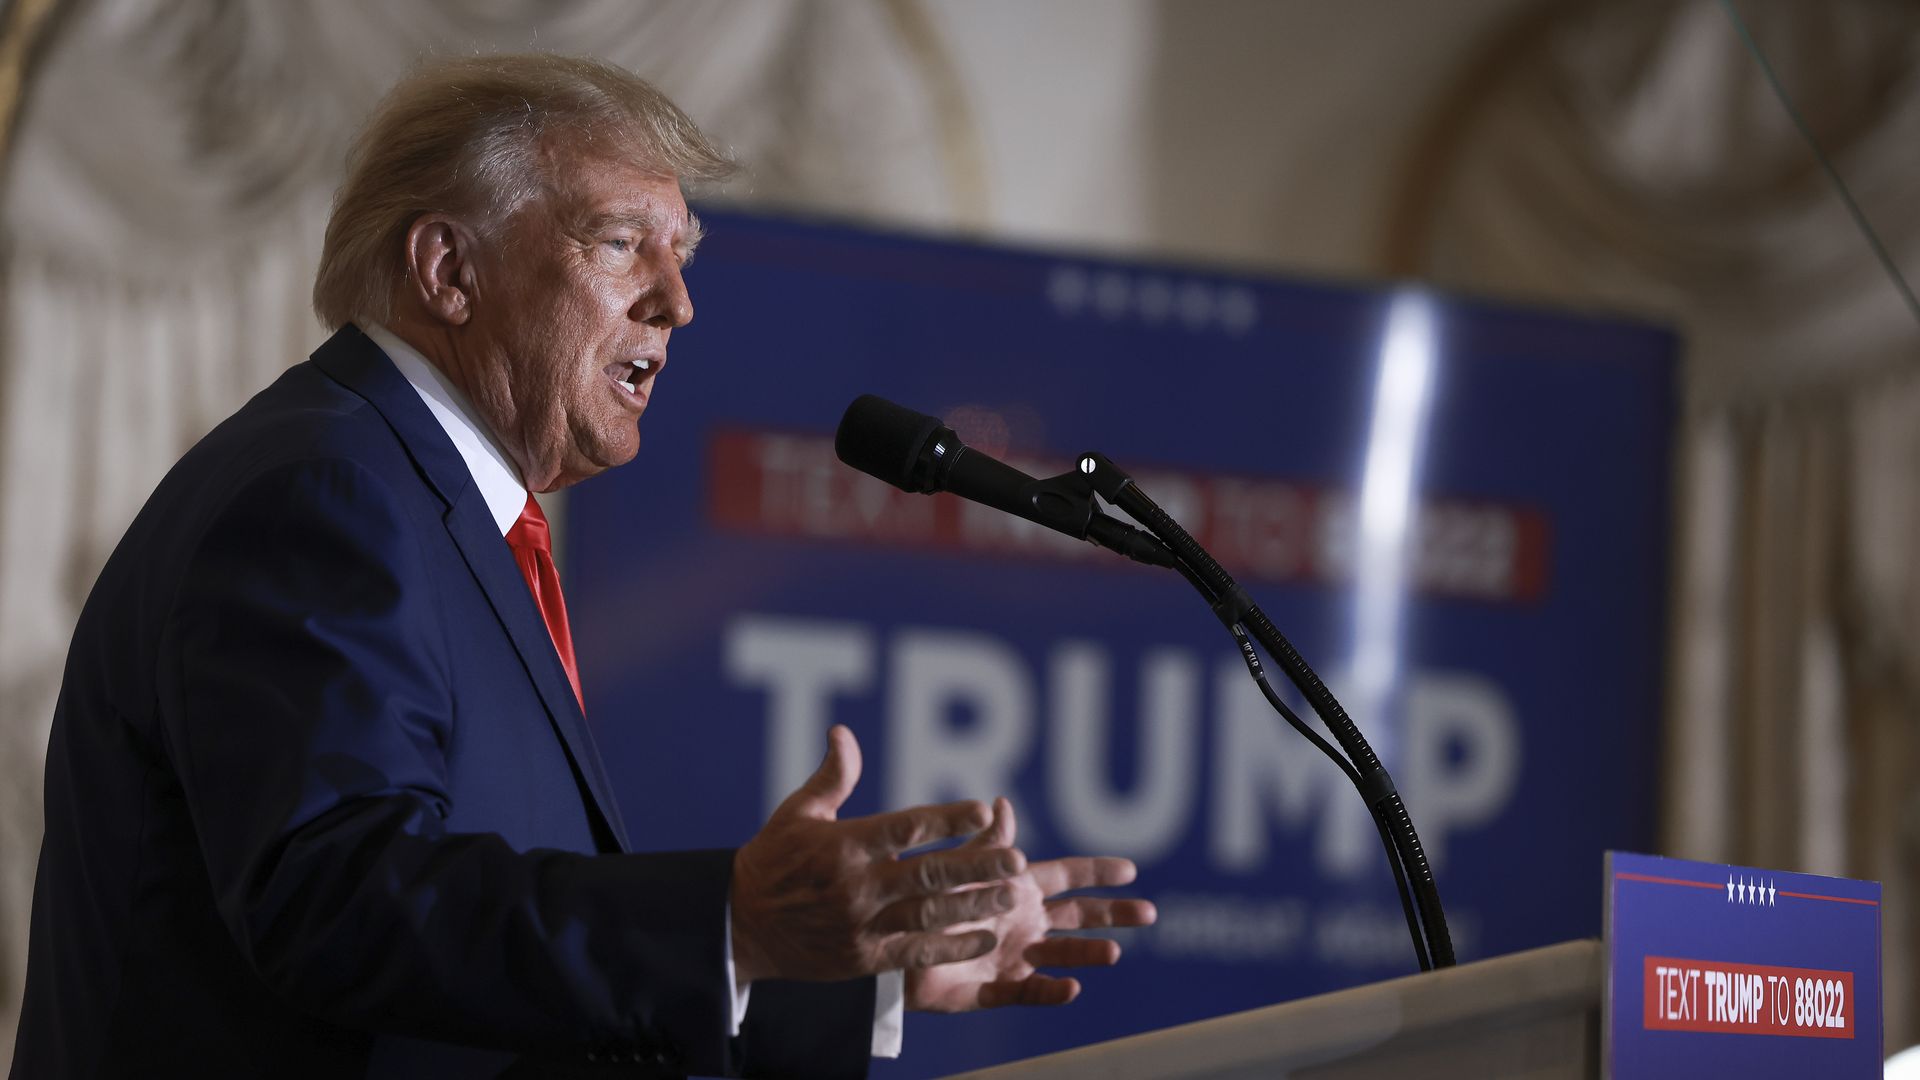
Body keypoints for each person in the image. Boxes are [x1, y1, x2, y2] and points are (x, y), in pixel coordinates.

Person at [9, 53, 1154, 1079]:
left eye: (682, 252)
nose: (680, 300)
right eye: (621, 244)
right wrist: (732, 917)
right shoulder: (326, 493)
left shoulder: (435, 511)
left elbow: (500, 980)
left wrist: (859, 970)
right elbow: (339, 901)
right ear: (447, 270)